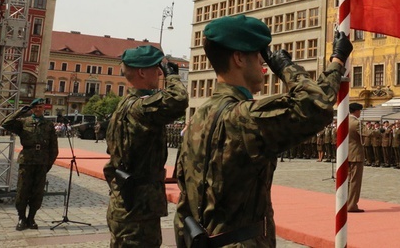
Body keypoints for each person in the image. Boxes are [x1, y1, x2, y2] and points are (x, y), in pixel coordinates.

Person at [174, 15, 352, 247]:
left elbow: (183, 199)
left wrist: (335, 64)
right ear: (238, 58)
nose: (263, 64)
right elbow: (315, 106)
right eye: (259, 55)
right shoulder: (244, 117)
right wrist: (285, 66)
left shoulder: (199, 117)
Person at [104, 45, 188, 247]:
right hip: (137, 208)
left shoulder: (125, 105)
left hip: (127, 201)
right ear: (141, 72)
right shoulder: (140, 108)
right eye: (156, 68)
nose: (160, 72)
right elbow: (179, 99)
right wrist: (173, 77)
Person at [1, 98, 58, 230]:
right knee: (22, 190)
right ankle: (21, 218)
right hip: (26, 161)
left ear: (44, 108)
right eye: (35, 107)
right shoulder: (23, 122)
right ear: (32, 108)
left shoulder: (48, 125)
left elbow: (54, 148)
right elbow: (5, 123)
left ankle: (31, 218)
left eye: (40, 106)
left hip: (41, 162)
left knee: (37, 192)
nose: (38, 109)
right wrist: (20, 111)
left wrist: (48, 165)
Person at [348, 102, 365, 212]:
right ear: (357, 111)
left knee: (347, 181)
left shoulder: (344, 121)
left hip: (346, 154)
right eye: (360, 111)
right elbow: (366, 132)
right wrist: (379, 132)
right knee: (355, 181)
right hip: (356, 155)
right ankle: (352, 205)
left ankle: (344, 202)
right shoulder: (356, 123)